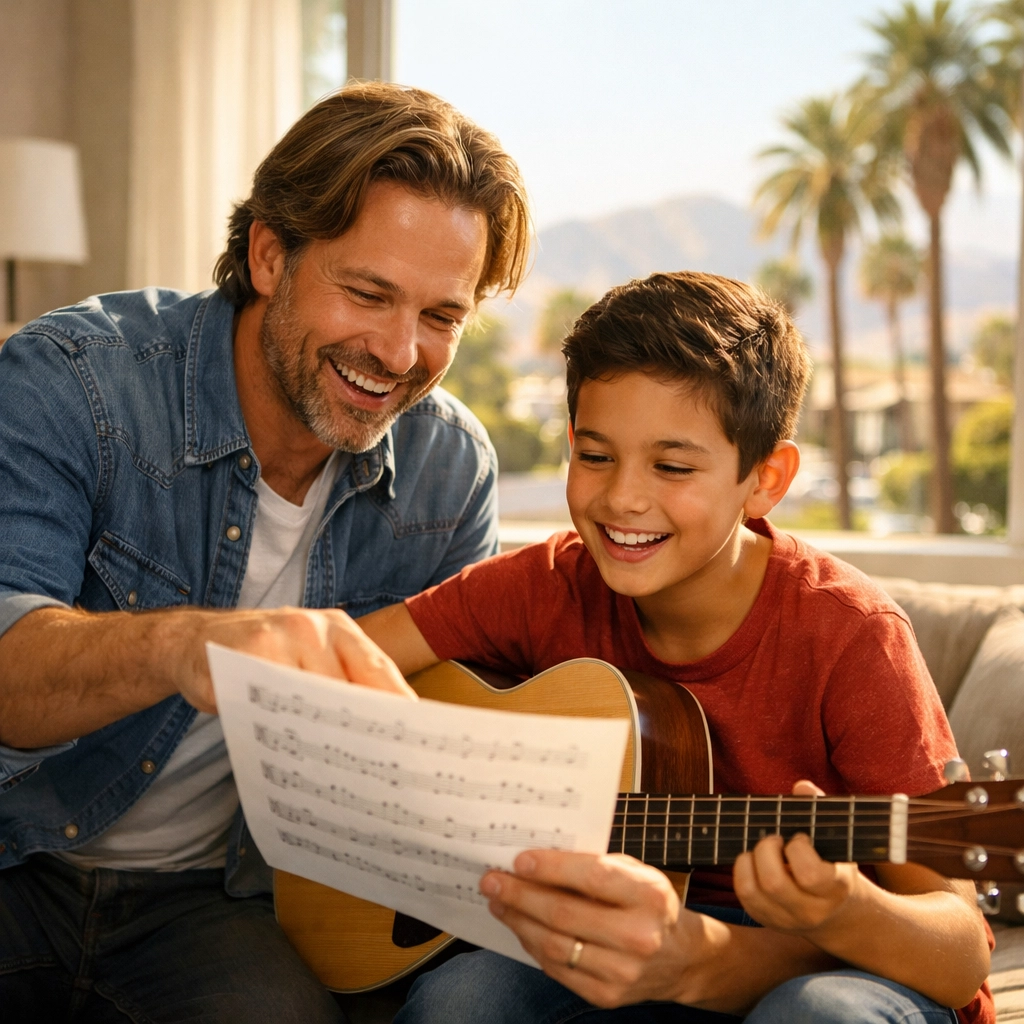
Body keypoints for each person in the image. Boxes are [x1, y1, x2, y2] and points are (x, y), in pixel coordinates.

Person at [0, 82, 530, 1021]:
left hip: (215, 904)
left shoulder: (451, 473)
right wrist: (188, 646)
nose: (401, 351)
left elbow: (425, 764)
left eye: (442, 316)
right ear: (270, 254)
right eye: (367, 293)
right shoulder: (75, 379)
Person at [360, 271, 993, 1024]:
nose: (624, 497)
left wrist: (843, 908)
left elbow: (960, 955)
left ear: (765, 479)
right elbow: (346, 663)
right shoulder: (544, 584)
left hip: (824, 964)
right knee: (460, 1002)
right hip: (619, 949)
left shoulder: (851, 634)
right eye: (595, 456)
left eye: (673, 467)